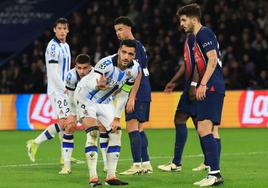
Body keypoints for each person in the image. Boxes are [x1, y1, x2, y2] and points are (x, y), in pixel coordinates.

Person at [74, 39, 141, 186]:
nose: (126, 56)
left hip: (105, 101)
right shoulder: (106, 63)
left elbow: (124, 94)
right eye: (123, 52)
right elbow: (94, 80)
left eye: (130, 54)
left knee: (116, 132)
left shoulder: (135, 69)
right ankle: (93, 178)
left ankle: (111, 177)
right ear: (118, 51)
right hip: (86, 98)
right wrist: (98, 85)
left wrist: (117, 118)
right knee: (93, 133)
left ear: (134, 55)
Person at [177, 3, 225, 186]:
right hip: (214, 86)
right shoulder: (197, 38)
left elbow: (212, 59)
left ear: (193, 19)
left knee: (204, 128)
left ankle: (214, 174)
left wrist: (203, 84)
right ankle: (214, 172)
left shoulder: (203, 33)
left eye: (183, 19)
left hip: (212, 86)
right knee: (210, 129)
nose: (181, 24)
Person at [26, 18, 81, 168]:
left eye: (65, 28)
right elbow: (52, 72)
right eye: (60, 28)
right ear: (54, 30)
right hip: (58, 91)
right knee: (66, 123)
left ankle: (64, 156)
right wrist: (64, 88)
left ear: (68, 30)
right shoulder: (52, 47)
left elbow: (66, 69)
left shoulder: (66, 45)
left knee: (66, 122)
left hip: (64, 88)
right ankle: (35, 143)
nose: (62, 31)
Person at [114, 16, 153, 175]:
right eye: (116, 30)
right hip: (144, 91)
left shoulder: (132, 48)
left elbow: (136, 74)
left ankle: (136, 165)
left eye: (120, 29)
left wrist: (131, 97)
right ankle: (146, 164)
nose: (118, 33)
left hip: (137, 92)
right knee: (139, 128)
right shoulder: (139, 46)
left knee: (131, 127)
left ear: (129, 28)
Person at [157, 33, 199, 171]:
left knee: (182, 119)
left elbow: (198, 63)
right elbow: (186, 65)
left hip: (195, 86)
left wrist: (193, 84)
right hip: (193, 85)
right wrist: (173, 82)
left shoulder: (195, 37)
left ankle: (176, 163)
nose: (181, 23)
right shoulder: (189, 38)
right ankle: (208, 161)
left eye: (184, 20)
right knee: (199, 124)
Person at [59, 54, 93, 174]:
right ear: (75, 66)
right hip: (76, 103)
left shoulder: (96, 74)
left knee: (98, 131)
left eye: (84, 68)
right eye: (79, 68)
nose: (82, 71)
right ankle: (66, 166)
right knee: (69, 127)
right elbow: (71, 97)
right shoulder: (71, 75)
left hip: (93, 105)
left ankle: (106, 165)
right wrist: (73, 114)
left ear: (90, 67)